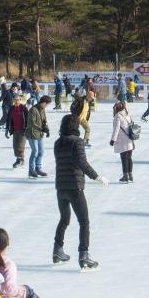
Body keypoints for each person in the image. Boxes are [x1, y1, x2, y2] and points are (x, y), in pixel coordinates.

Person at [52, 113, 101, 270]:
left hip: (61, 187)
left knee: (64, 219)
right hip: (75, 187)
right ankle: (84, 255)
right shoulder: (77, 142)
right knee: (84, 222)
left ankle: (57, 250)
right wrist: (96, 176)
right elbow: (82, 163)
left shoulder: (57, 143)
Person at [110, 100, 137, 183]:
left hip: (122, 140)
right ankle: (130, 175)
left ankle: (125, 176)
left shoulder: (118, 116)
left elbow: (116, 129)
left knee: (124, 158)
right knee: (129, 158)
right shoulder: (127, 114)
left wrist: (113, 140)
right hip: (130, 139)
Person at [25, 95, 51, 178]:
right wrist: (42, 129)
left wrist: (46, 128)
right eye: (47, 104)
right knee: (35, 151)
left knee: (41, 152)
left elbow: (44, 120)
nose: (47, 106)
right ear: (43, 102)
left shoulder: (42, 109)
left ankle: (38, 168)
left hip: (39, 134)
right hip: (32, 133)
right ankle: (31, 170)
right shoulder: (33, 110)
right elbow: (31, 123)